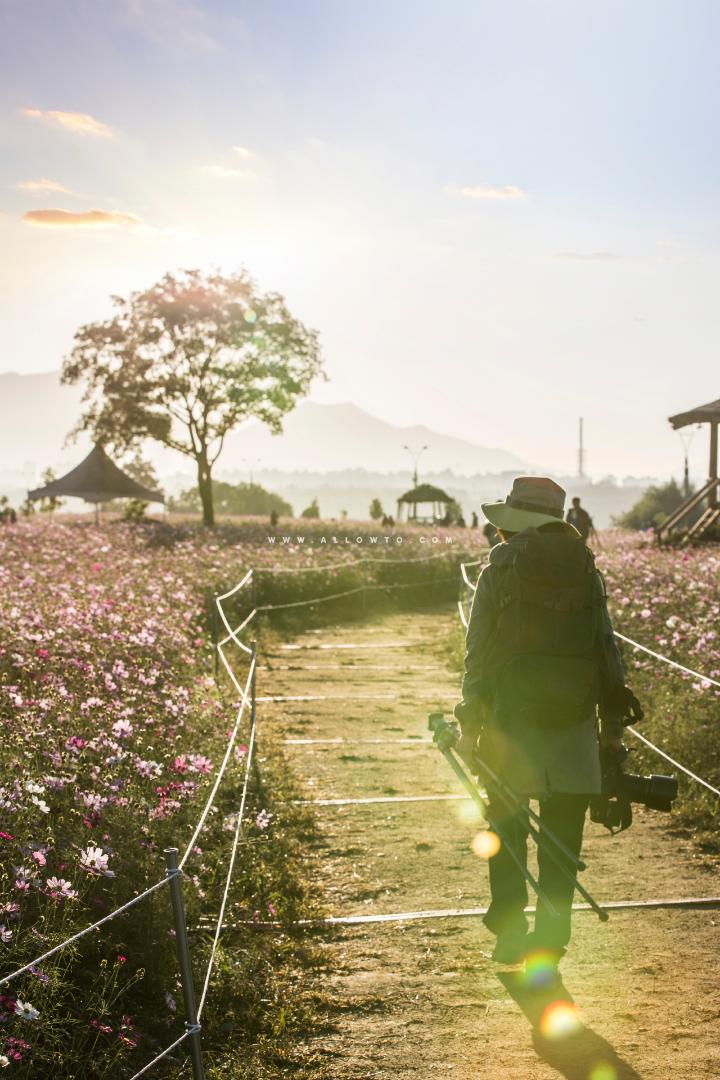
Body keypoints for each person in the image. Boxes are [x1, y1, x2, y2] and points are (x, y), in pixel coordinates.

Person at [453, 476, 633, 973]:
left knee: (508, 829)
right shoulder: (585, 567)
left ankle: (510, 935)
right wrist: (611, 729)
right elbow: (605, 650)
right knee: (562, 836)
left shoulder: (500, 567)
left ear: (514, 522)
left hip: (511, 725)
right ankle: (552, 940)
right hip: (574, 724)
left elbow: (479, 655)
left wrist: (470, 723)